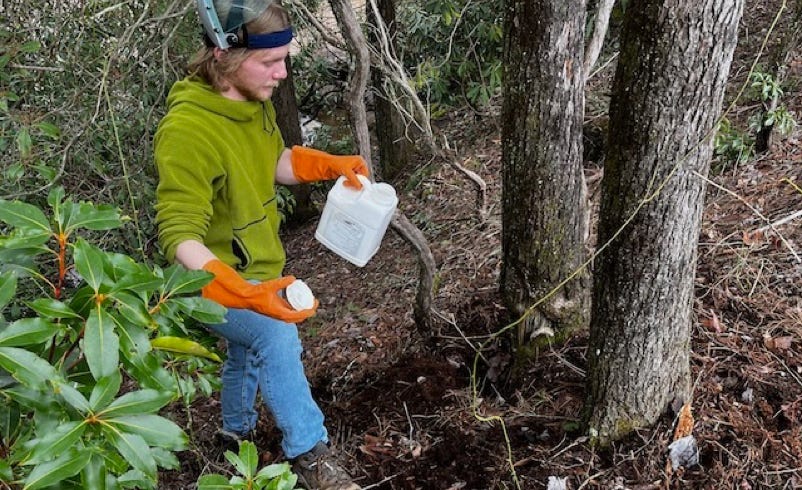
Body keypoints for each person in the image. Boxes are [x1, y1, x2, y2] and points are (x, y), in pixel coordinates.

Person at [153, 1, 367, 488]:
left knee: (245, 353)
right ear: (226, 58)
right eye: (271, 62)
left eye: (284, 59)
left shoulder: (253, 101)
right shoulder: (187, 131)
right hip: (208, 281)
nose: (283, 73)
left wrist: (328, 164)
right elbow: (179, 235)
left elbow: (275, 162)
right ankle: (312, 456)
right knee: (273, 334)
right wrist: (244, 293)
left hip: (256, 268)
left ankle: (233, 434)